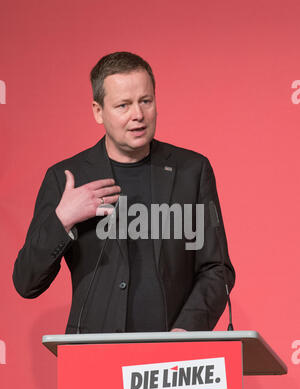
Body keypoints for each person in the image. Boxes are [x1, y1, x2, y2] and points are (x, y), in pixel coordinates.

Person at [12, 51, 235, 334]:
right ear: (97, 111)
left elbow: (217, 269)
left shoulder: (191, 171)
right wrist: (63, 220)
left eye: (146, 101)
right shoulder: (66, 178)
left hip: (171, 360)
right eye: (123, 105)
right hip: (93, 356)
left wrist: (186, 331)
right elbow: (26, 282)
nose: (138, 115)